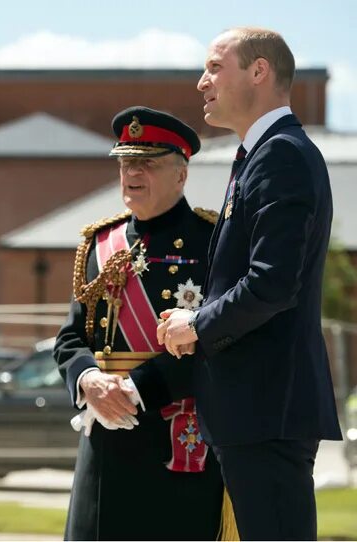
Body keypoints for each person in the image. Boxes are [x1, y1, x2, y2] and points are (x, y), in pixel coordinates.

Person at [158, 27, 342, 540]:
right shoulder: (259, 155)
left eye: (215, 67)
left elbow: (272, 283)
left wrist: (196, 323)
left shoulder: (281, 155)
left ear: (259, 71)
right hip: (257, 409)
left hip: (268, 409)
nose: (201, 83)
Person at [55, 106, 230, 540]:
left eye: (148, 163)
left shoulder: (213, 242)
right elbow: (70, 338)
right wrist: (89, 379)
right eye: (126, 162)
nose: (133, 173)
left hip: (176, 437)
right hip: (106, 440)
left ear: (181, 174)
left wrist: (137, 388)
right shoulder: (100, 243)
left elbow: (220, 341)